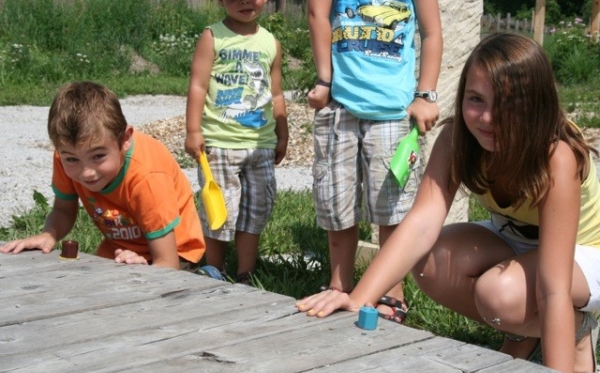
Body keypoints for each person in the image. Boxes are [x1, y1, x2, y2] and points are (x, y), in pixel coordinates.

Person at [297, 32, 600, 373]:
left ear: (537, 104)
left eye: (508, 103)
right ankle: (522, 330)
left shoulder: (556, 156)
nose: (488, 118)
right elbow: (422, 223)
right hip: (518, 241)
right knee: (431, 262)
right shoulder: (457, 139)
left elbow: (554, 285)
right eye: (476, 99)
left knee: (500, 294)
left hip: (582, 253)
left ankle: (577, 335)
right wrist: (358, 298)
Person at [305, 0, 443, 323]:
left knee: (391, 209)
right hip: (340, 107)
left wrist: (426, 94)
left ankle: (392, 290)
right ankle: (340, 284)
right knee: (336, 203)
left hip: (393, 113)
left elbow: (432, 32)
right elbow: (317, 12)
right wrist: (325, 80)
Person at [0, 81, 205, 270]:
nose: (86, 172)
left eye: (98, 156)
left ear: (124, 139)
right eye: (72, 159)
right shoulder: (64, 156)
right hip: (119, 249)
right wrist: (49, 234)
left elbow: (168, 264)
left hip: (177, 254)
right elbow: (63, 210)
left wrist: (144, 269)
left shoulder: (147, 176)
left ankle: (207, 274)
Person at [185, 0, 289, 284]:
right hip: (220, 143)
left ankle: (246, 272)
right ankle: (214, 269)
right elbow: (198, 84)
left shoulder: (270, 42)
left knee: (256, 209)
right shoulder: (213, 36)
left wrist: (283, 131)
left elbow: (276, 93)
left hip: (260, 145)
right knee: (220, 210)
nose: (245, 1)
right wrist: (193, 130)